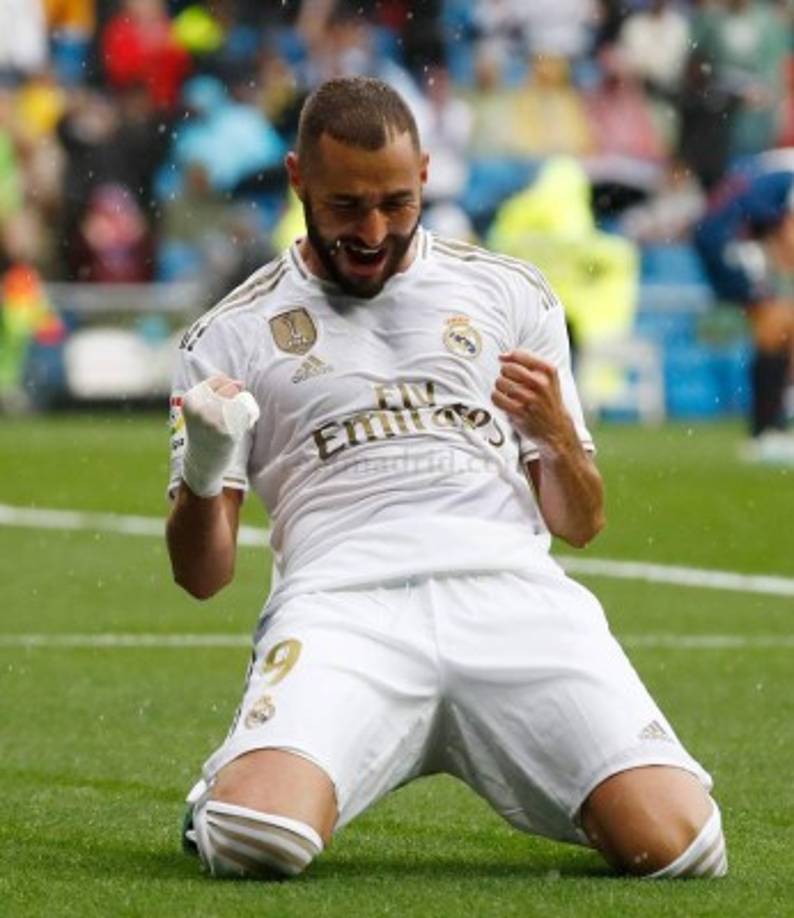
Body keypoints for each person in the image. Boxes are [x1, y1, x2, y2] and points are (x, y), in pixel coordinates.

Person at [166, 76, 727, 881]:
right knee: (258, 840)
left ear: (426, 175)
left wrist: (559, 435)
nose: (372, 231)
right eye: (346, 206)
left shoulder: (510, 293)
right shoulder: (229, 334)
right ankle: (229, 785)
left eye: (396, 203)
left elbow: (581, 522)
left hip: (513, 598)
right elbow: (201, 576)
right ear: (298, 180)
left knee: (684, 850)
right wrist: (209, 464)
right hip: (344, 607)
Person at [695, 152, 794, 462]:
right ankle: (766, 432)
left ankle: (769, 427)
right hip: (729, 237)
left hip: (722, 233)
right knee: (775, 324)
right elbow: (789, 235)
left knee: (777, 325)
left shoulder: (778, 163)